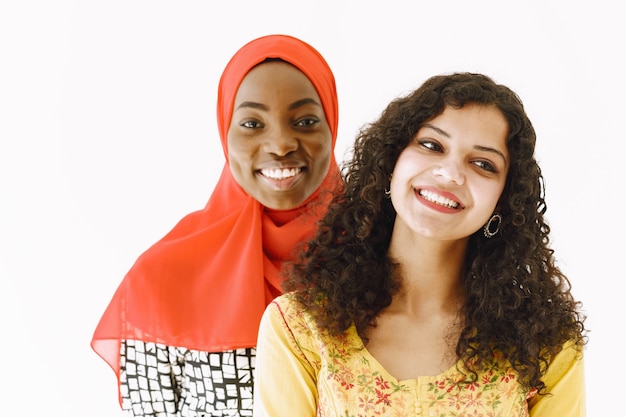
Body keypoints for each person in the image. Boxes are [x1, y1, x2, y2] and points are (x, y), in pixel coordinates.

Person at [253, 72, 587, 416]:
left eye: (483, 164)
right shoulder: (301, 327)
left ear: (503, 202)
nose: (450, 173)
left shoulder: (546, 345)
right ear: (390, 164)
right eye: (432, 145)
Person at [91, 34, 342, 416]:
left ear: (331, 126)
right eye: (252, 123)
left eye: (305, 120)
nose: (279, 144)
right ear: (225, 133)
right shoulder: (160, 278)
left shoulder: (387, 262)